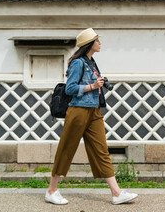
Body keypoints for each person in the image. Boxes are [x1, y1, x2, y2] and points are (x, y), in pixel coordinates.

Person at [45, 28, 138, 205]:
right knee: (66, 149)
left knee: (102, 150)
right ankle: (51, 190)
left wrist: (98, 83)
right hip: (78, 110)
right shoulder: (78, 63)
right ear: (89, 43)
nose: (100, 43)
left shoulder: (92, 63)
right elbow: (70, 88)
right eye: (97, 40)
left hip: (94, 111)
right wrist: (92, 86)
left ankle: (116, 193)